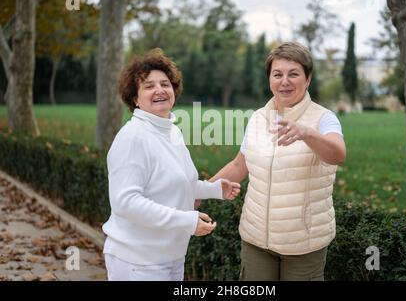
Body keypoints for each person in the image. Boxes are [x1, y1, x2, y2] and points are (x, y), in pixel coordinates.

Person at [209, 42, 346, 281]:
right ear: (269, 79)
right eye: (277, 74)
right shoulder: (257, 119)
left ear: (308, 79)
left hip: (304, 242)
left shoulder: (324, 118)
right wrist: (201, 192)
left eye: (294, 74)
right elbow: (239, 165)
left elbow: (337, 154)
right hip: (256, 240)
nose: (285, 81)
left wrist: (306, 133)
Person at [102, 48, 240, 281]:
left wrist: (214, 189)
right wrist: (186, 220)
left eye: (165, 84)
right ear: (135, 98)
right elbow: (125, 202)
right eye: (149, 86)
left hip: (172, 256)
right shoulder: (133, 137)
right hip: (139, 261)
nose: (159, 90)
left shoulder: (171, 131)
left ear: (173, 90)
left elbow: (174, 182)